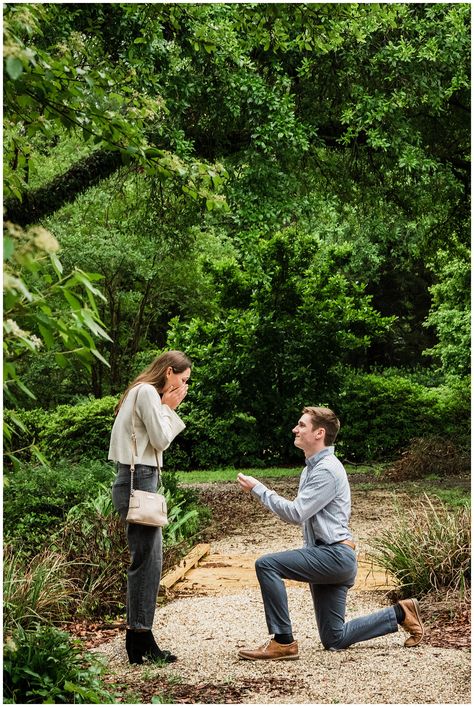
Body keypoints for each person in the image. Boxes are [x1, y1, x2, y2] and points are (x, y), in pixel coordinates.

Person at [236, 406, 424, 661]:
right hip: (328, 557)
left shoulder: (326, 470)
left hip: (334, 555)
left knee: (267, 565)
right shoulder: (311, 469)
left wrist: (260, 489)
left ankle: (283, 641)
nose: (295, 429)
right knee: (334, 638)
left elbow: (295, 513)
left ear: (319, 433)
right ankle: (401, 613)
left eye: (302, 425)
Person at [109, 350, 191, 665]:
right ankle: (140, 639)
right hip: (137, 480)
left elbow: (156, 438)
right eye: (183, 379)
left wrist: (165, 408)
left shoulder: (144, 394)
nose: (184, 387)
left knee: (149, 561)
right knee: (147, 562)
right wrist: (169, 407)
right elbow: (161, 439)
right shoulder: (145, 392)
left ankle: (140, 637)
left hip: (141, 479)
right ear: (169, 372)